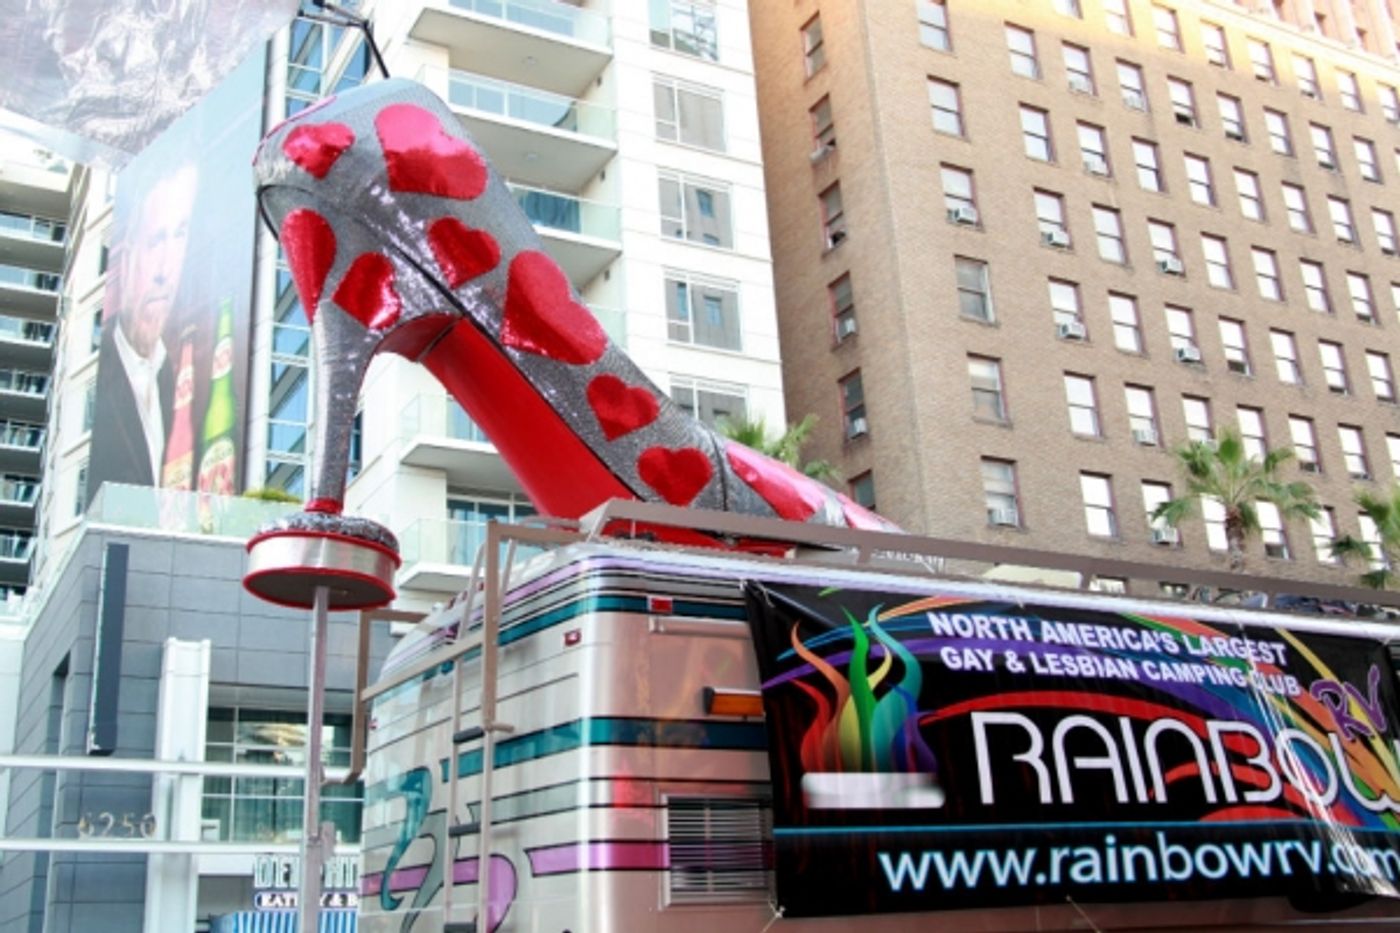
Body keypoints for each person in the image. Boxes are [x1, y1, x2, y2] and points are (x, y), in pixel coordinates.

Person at [88, 161, 198, 498]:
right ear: (128, 251)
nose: (166, 269)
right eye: (156, 240)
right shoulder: (103, 373)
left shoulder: (176, 381)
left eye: (179, 236)